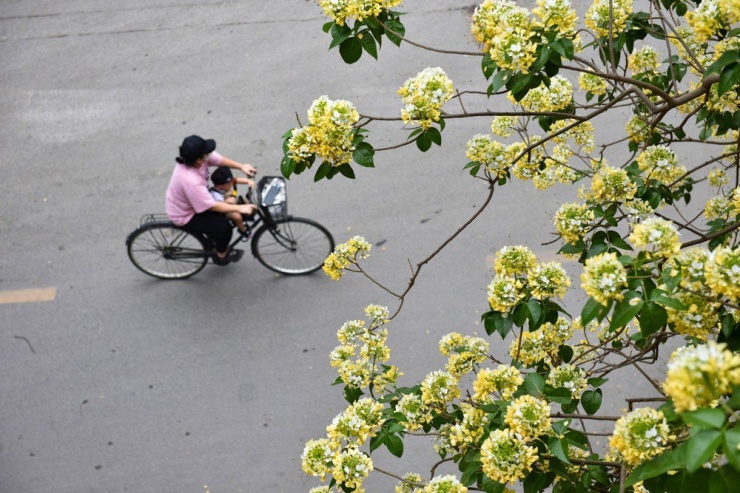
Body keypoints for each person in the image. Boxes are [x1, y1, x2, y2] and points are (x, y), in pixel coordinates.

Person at [165, 135, 257, 266]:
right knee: (223, 228)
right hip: (185, 214)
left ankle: (213, 240)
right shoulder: (190, 180)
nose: (209, 155)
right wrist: (239, 208)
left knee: (223, 217)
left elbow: (218, 160)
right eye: (206, 153)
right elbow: (212, 206)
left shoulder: (197, 160)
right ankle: (221, 255)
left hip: (195, 200)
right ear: (198, 160)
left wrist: (241, 166)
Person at [209, 166, 255, 237]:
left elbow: (237, 180)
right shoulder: (216, 195)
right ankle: (243, 230)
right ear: (221, 186)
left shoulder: (225, 184)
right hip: (222, 209)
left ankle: (247, 215)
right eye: (229, 183)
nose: (231, 184)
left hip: (228, 200)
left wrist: (248, 181)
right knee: (237, 217)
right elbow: (218, 206)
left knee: (243, 199)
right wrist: (227, 201)